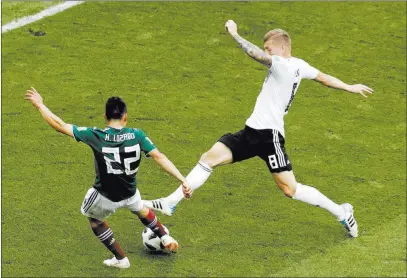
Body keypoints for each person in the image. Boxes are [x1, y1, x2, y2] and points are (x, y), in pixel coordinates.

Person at [145, 20, 374, 238]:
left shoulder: (283, 65)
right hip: (251, 132)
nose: (267, 52)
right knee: (208, 158)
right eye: (266, 48)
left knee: (290, 190)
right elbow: (324, 78)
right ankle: (171, 202)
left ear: (283, 47)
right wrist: (349, 86)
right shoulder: (299, 65)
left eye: (270, 48)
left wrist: (235, 34)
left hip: (269, 138)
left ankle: (343, 213)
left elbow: (255, 54)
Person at [24, 88, 191, 269]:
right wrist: (182, 179)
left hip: (106, 196)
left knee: (94, 218)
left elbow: (59, 125)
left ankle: (121, 259)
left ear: (105, 116)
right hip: (130, 191)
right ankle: (164, 236)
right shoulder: (138, 135)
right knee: (141, 209)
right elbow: (160, 157)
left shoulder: (96, 135)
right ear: (125, 116)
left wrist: (40, 105)